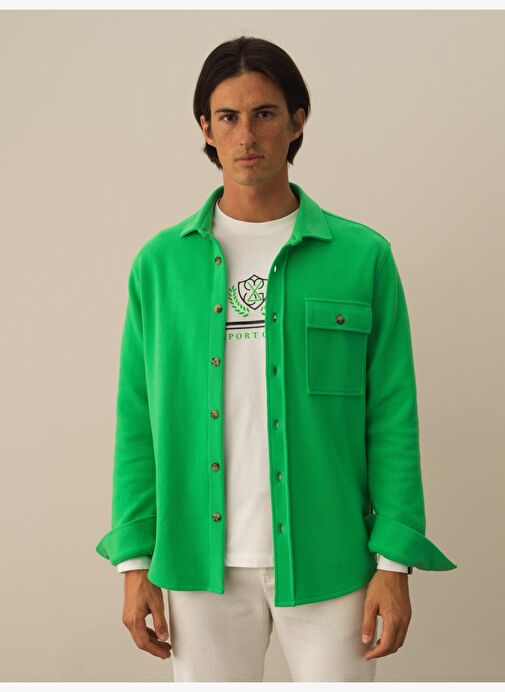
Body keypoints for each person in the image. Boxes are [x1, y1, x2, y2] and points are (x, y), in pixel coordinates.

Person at [95, 35, 457, 682]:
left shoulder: (361, 257)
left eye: (264, 113)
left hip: (333, 562)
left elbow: (392, 413)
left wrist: (393, 562)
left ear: (296, 121)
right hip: (196, 566)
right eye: (227, 116)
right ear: (205, 128)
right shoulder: (159, 266)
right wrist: (133, 563)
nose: (246, 135)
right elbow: (137, 421)